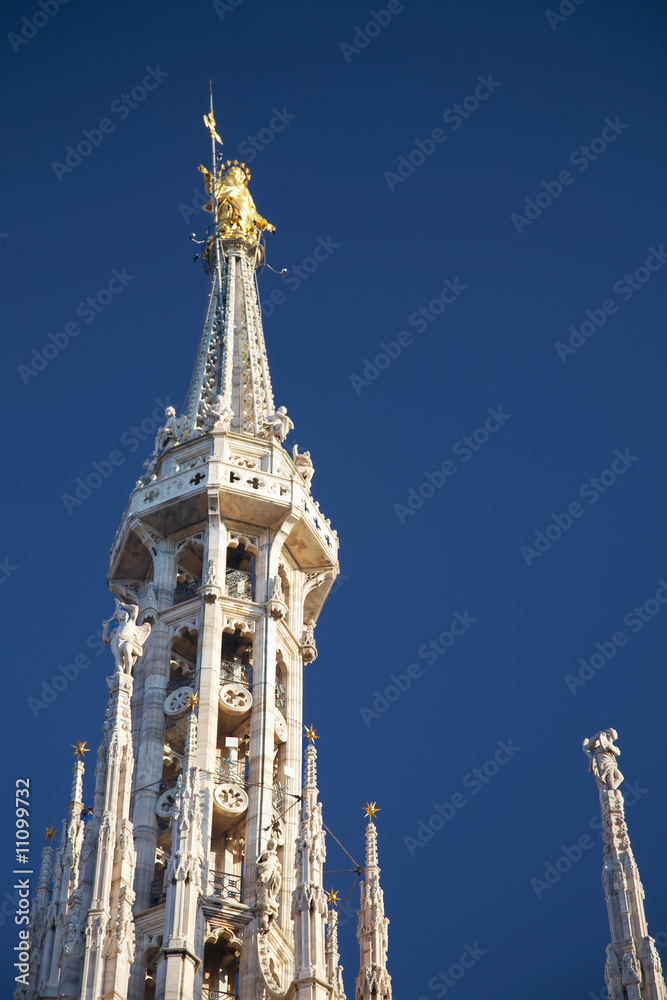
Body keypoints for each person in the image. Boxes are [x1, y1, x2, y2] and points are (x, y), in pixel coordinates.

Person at [102, 600, 152, 674]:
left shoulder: (130, 622)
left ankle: (128, 674)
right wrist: (105, 628)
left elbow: (135, 608)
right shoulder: (115, 630)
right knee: (118, 658)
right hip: (116, 641)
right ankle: (120, 674)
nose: (125, 615)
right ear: (117, 617)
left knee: (127, 649)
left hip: (128, 640)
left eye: (126, 614)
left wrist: (124, 605)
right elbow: (106, 640)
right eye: (122, 613)